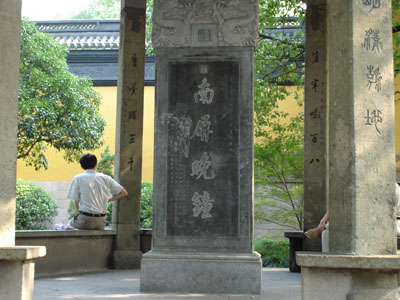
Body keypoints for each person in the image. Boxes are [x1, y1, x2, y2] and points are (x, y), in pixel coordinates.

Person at [68, 153, 128, 230]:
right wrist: (108, 199)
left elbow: (77, 204)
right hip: (101, 221)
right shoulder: (106, 178)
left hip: (85, 220)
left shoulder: (78, 178)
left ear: (81, 166)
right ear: (96, 164)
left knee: (68, 226)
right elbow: (124, 193)